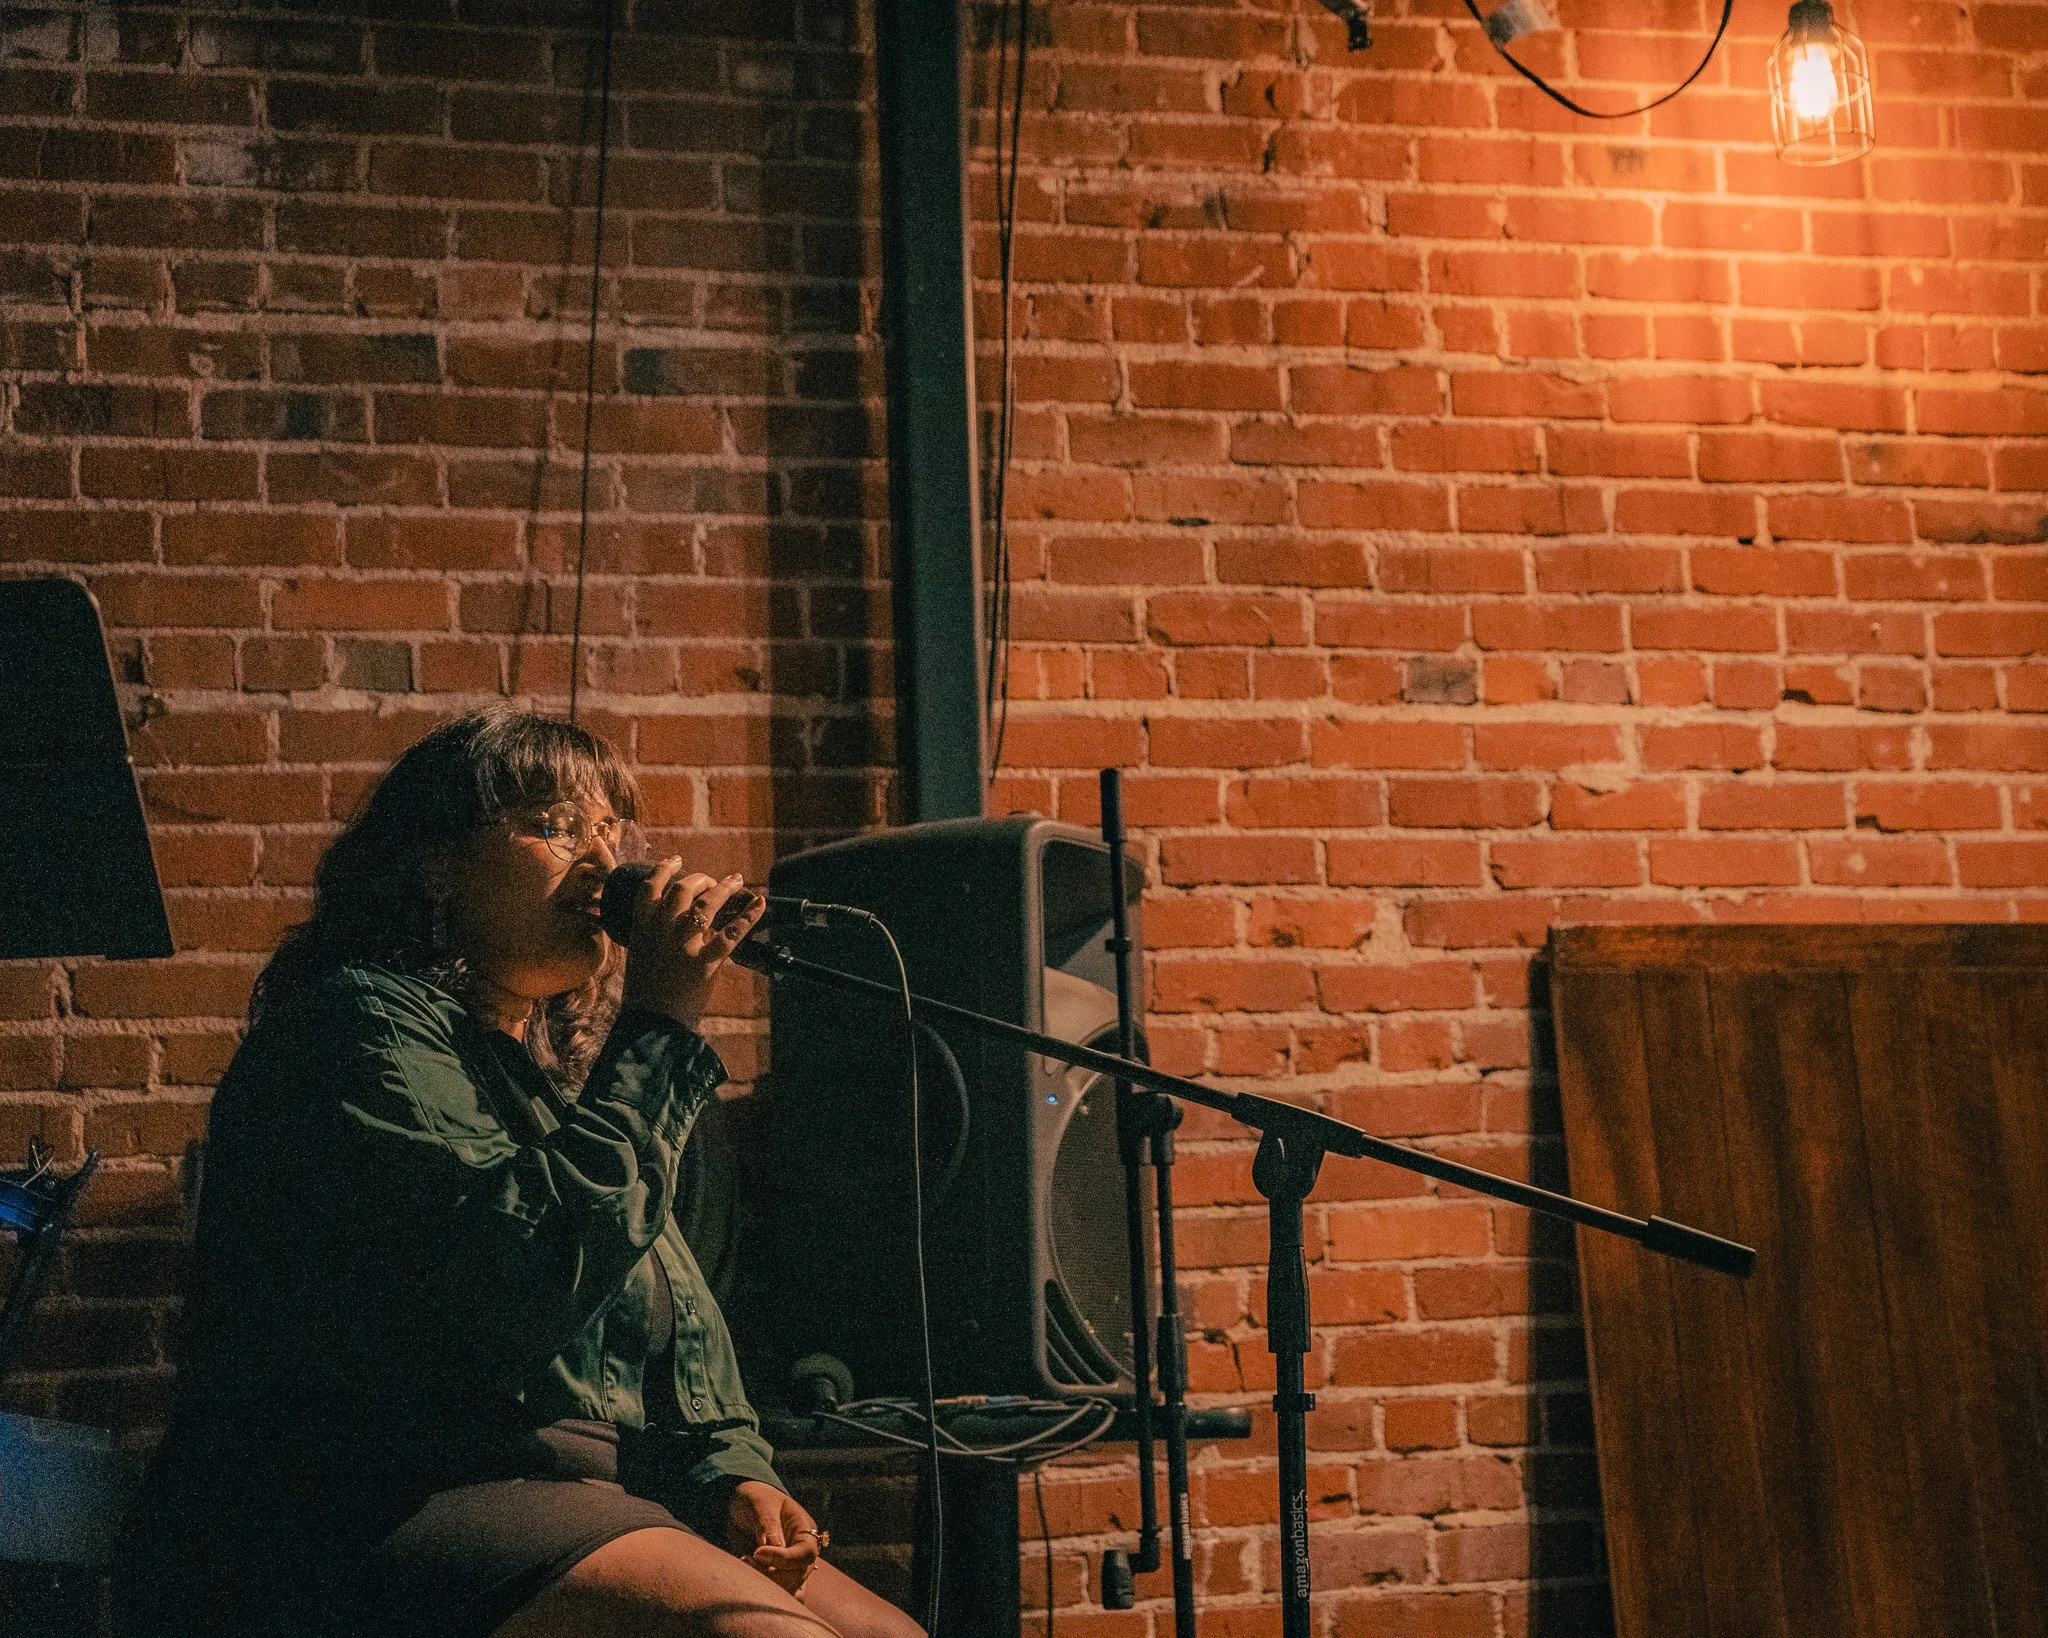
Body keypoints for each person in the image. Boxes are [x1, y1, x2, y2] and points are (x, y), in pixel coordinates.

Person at [116, 709, 922, 1638]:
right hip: (376, 1490)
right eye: (555, 826)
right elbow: (513, 1281)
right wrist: (660, 1026)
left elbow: (669, 1315)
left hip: (571, 1484)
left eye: (611, 828)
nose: (601, 861)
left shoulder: (545, 1086)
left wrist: (731, 1467)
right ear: (435, 864)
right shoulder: (358, 1027)